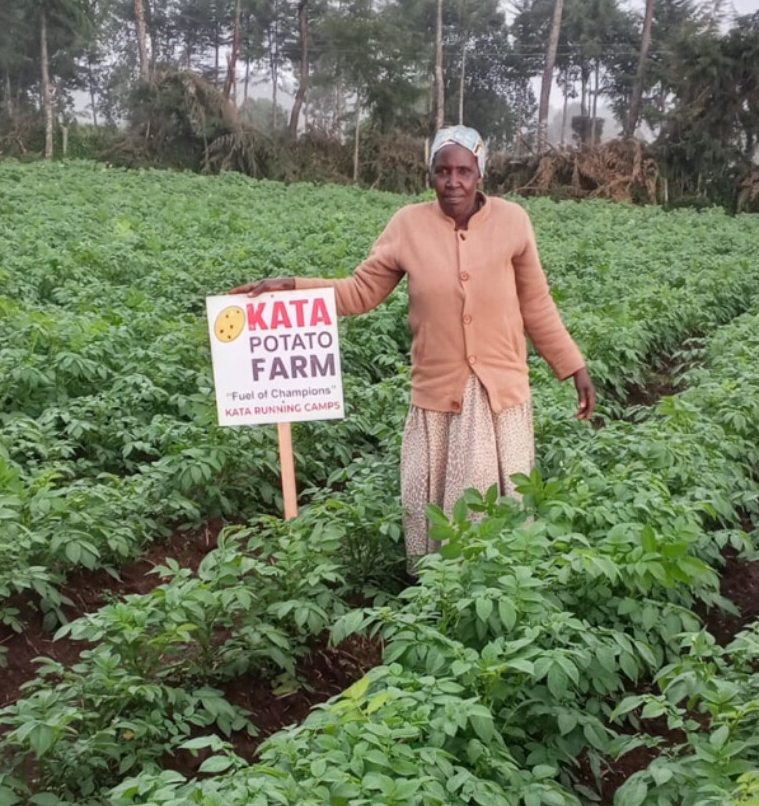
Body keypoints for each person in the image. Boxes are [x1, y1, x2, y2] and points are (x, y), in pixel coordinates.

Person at [232, 125, 595, 560]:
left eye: (464, 171)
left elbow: (536, 303)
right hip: (438, 393)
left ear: (480, 173)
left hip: (499, 393)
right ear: (431, 174)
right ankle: (437, 591)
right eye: (443, 171)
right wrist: (292, 286)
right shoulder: (408, 225)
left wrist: (574, 366)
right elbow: (360, 292)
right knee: (435, 513)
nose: (453, 181)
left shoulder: (512, 222)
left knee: (493, 517)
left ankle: (492, 585)